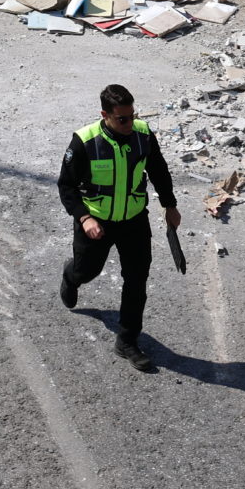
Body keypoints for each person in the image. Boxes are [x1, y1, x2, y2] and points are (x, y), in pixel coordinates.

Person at [58, 83, 179, 372]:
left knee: (137, 280)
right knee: (88, 270)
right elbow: (66, 186)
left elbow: (158, 169)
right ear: (105, 115)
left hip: (134, 220)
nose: (129, 124)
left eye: (132, 116)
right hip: (96, 222)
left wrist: (170, 205)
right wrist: (85, 218)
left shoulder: (143, 134)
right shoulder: (84, 141)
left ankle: (127, 340)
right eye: (122, 119)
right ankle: (71, 276)